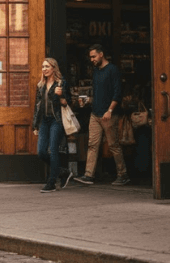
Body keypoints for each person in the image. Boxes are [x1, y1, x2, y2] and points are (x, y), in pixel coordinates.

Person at [74, 44, 129, 186]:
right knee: (93, 144)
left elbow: (117, 93)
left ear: (101, 54)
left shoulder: (112, 70)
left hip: (108, 114)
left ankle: (123, 175)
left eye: (93, 56)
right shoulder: (96, 71)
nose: (92, 59)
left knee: (113, 145)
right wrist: (88, 101)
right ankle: (88, 175)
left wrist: (110, 110)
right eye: (90, 57)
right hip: (95, 113)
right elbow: (99, 93)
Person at [32, 58, 73, 193]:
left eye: (47, 66)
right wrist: (35, 126)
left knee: (53, 150)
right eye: (43, 67)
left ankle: (51, 182)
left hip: (56, 120)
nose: (44, 69)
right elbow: (37, 107)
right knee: (41, 152)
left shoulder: (61, 83)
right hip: (44, 120)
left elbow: (68, 103)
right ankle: (62, 171)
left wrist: (61, 97)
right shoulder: (40, 85)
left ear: (54, 68)